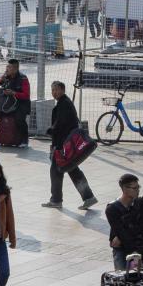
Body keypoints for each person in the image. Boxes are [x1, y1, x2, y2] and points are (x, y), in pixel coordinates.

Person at [43, 82, 98, 211]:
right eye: (52, 90)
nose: (54, 92)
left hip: (64, 145)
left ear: (62, 90)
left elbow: (61, 124)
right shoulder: (64, 103)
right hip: (65, 145)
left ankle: (56, 200)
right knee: (72, 171)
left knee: (57, 171)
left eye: (56, 89)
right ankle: (88, 197)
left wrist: (51, 130)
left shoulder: (64, 104)